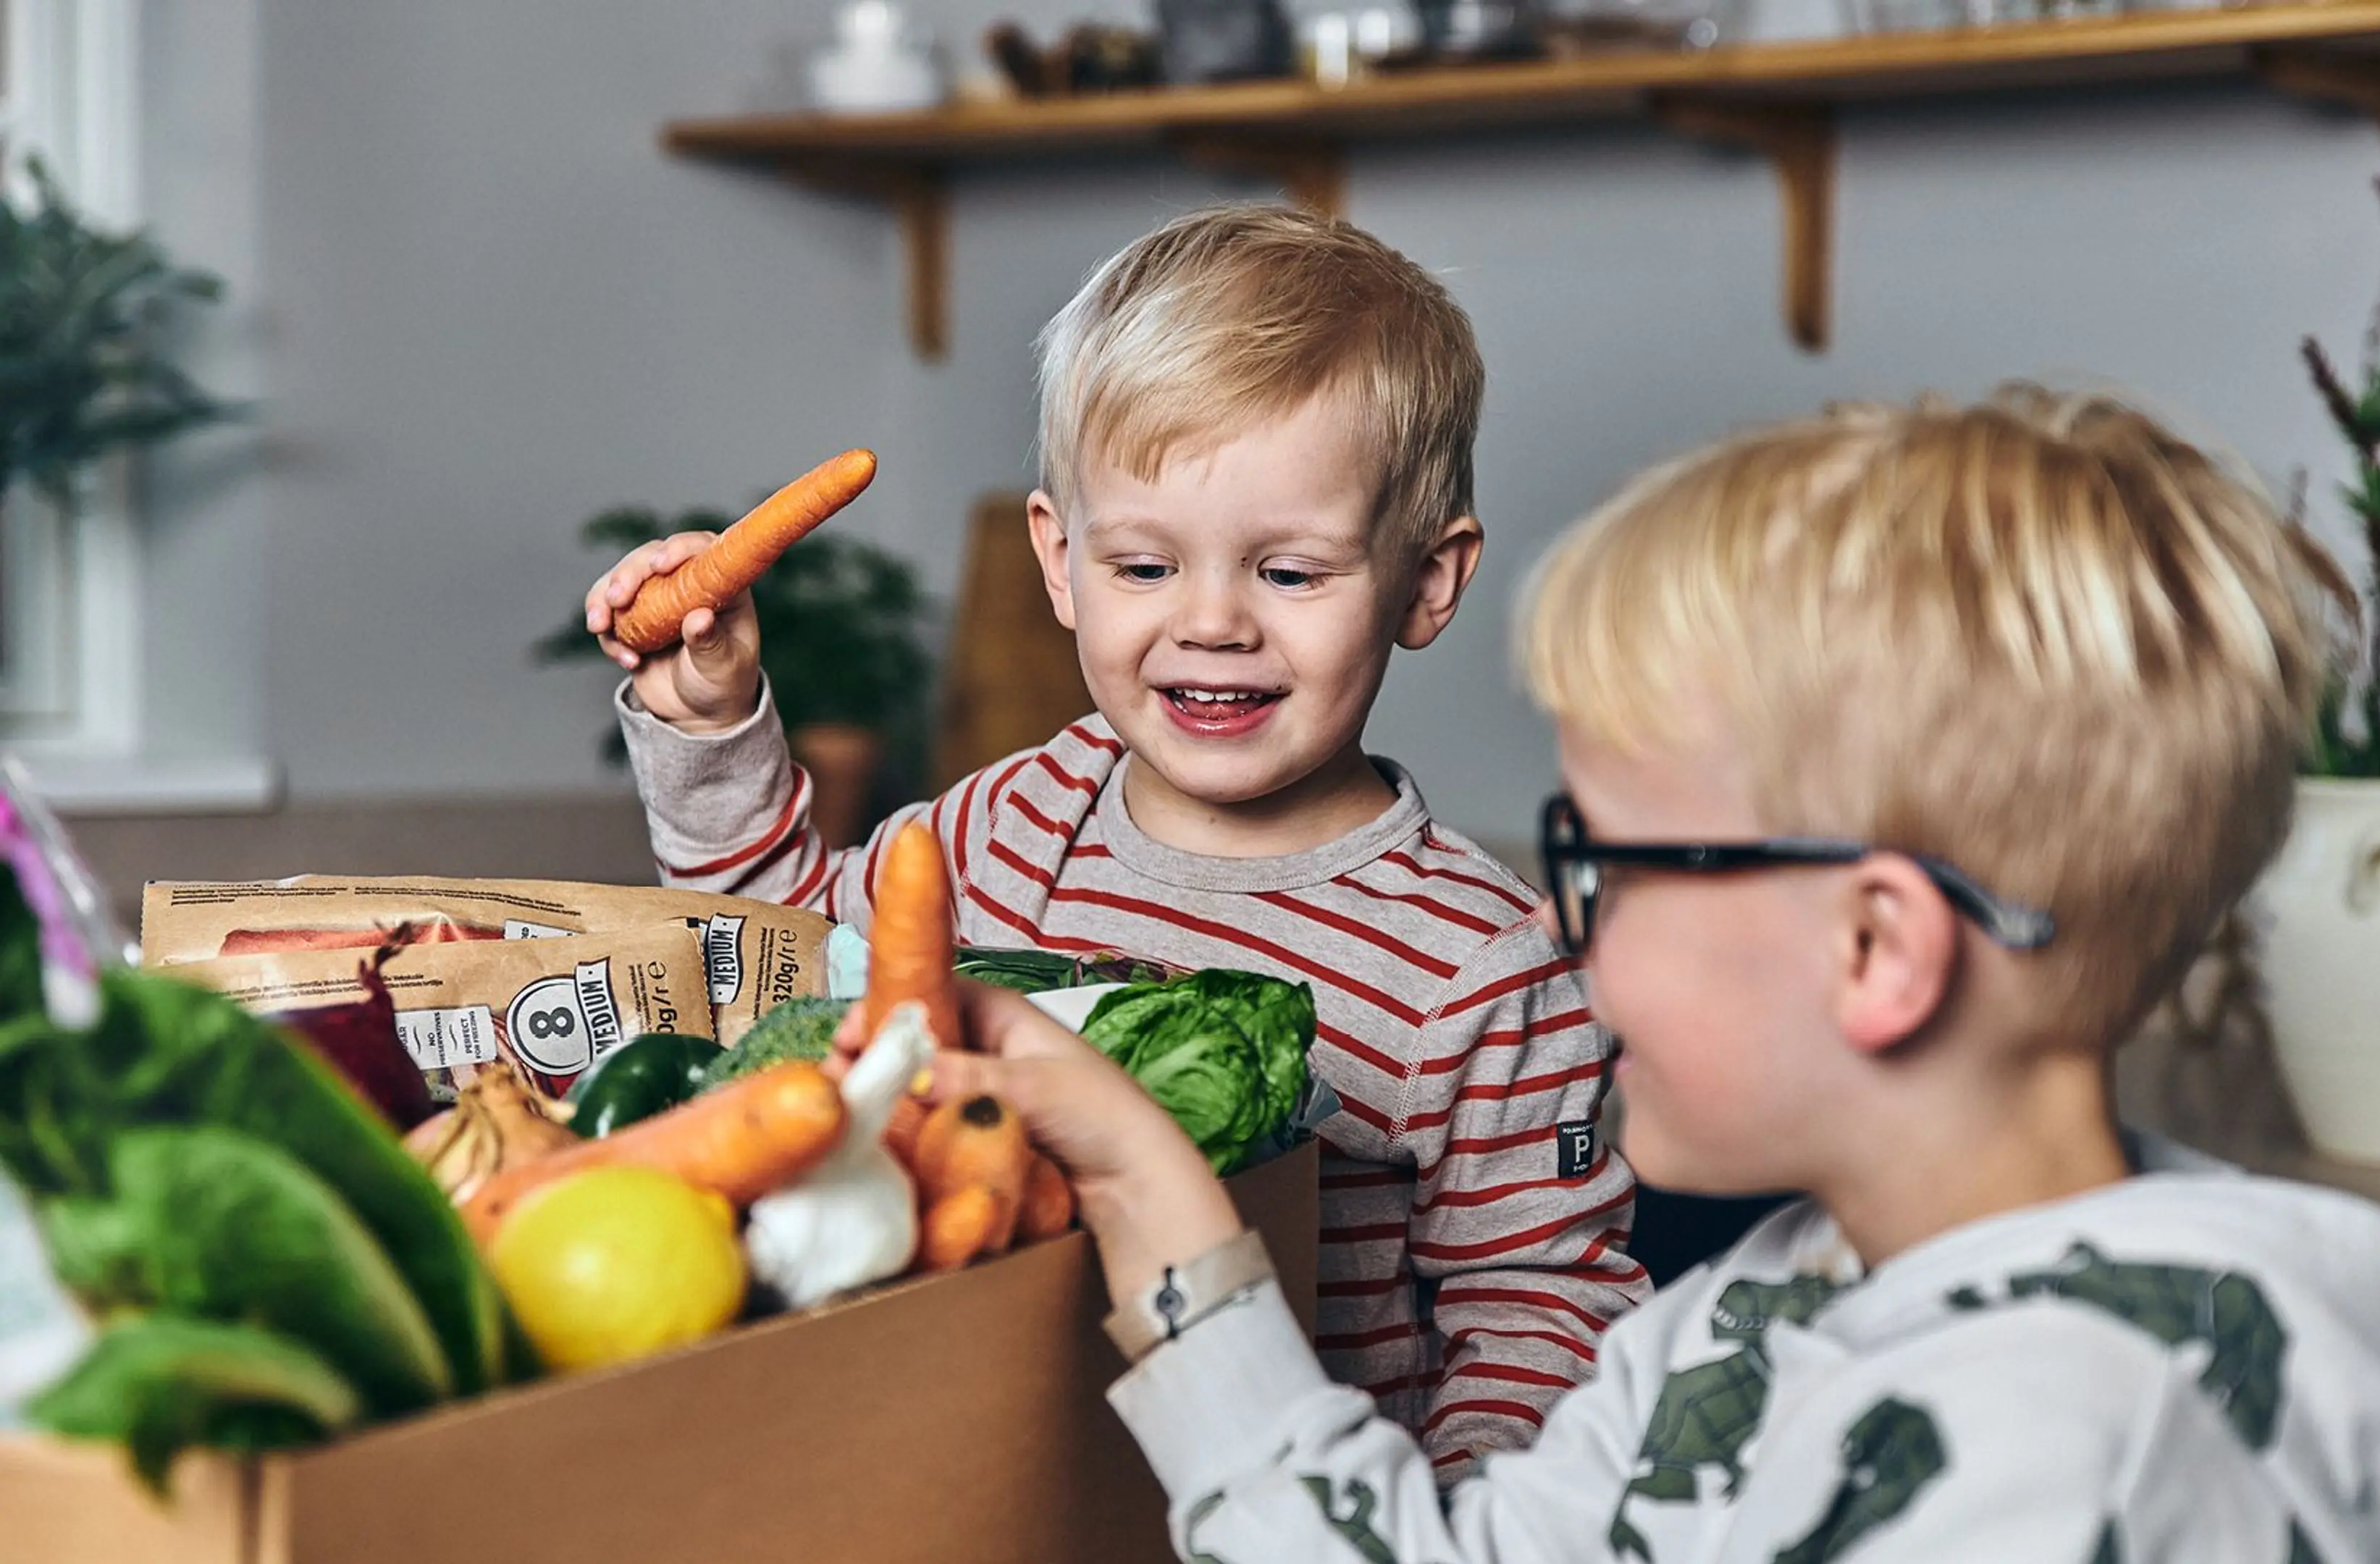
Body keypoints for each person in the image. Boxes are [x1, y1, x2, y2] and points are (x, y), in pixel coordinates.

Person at [921, 387, 2380, 1561]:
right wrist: (1159, 1192)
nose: (1565, 930)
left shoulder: (2076, 1449)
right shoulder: (1754, 1310)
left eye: (1608, 866)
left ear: (1877, 949)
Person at [583, 203, 1647, 1476]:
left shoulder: (1484, 964)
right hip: (977, 1475)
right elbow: (776, 965)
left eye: (1291, 574)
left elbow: (1541, 1312)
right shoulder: (1013, 820)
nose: (1212, 624)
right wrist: (708, 724)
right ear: (1061, 562)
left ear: (1427, 580)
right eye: (1144, 567)